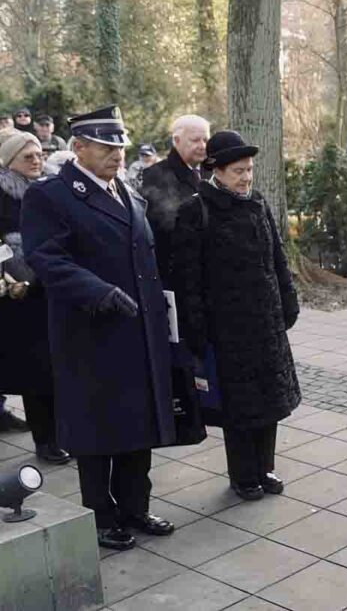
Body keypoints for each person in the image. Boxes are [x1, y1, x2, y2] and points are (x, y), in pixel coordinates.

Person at [22, 105, 176, 551]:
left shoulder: (124, 190)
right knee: (97, 430)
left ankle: (135, 506)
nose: (117, 155)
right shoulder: (52, 195)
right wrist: (96, 292)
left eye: (120, 146)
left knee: (138, 424)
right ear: (78, 148)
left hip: (138, 329)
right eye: (107, 147)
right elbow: (46, 258)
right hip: (89, 333)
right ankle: (101, 516)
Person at [173, 130, 301, 501]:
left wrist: (287, 301)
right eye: (237, 171)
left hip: (267, 324)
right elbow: (188, 279)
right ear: (216, 171)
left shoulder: (258, 203)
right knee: (239, 409)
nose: (246, 178)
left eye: (249, 170)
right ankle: (244, 475)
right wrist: (196, 329)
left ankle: (265, 467)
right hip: (226, 330)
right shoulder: (195, 211)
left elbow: (277, 257)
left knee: (270, 402)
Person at [0, 132, 68, 464]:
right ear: (10, 161)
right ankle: (46, 441)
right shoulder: (2, 195)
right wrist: (12, 277)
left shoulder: (51, 190)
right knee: (36, 370)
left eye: (40, 155)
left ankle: (63, 432)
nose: (37, 161)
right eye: (29, 157)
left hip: (53, 285)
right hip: (19, 293)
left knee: (59, 364)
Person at [141, 115, 210, 283]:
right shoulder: (156, 175)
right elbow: (164, 226)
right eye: (195, 140)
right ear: (176, 140)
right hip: (179, 273)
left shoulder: (213, 171)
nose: (202, 146)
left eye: (206, 140)